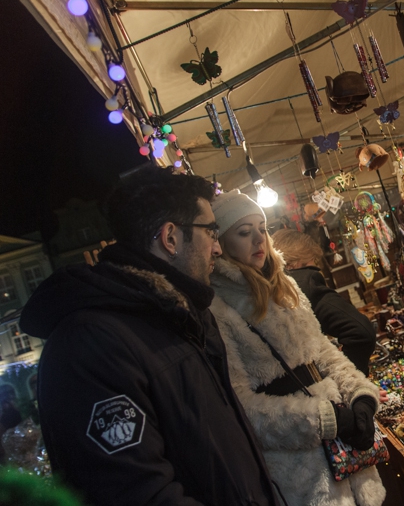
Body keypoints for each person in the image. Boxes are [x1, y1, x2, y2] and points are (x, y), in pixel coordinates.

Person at [19, 167, 279, 505]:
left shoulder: (183, 315)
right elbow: (134, 492)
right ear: (170, 238)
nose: (217, 249)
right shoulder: (90, 344)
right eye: (211, 232)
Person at [208, 190, 385, 506]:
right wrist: (323, 419)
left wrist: (360, 394)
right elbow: (243, 407)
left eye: (261, 229)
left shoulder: (285, 285)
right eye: (244, 233)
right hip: (301, 473)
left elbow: (323, 351)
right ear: (221, 242)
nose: (258, 240)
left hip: (348, 457)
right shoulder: (218, 310)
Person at [271, 229, 376, 376]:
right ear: (293, 263)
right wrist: (349, 380)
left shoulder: (268, 293)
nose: (314, 269)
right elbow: (361, 332)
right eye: (311, 263)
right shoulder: (304, 282)